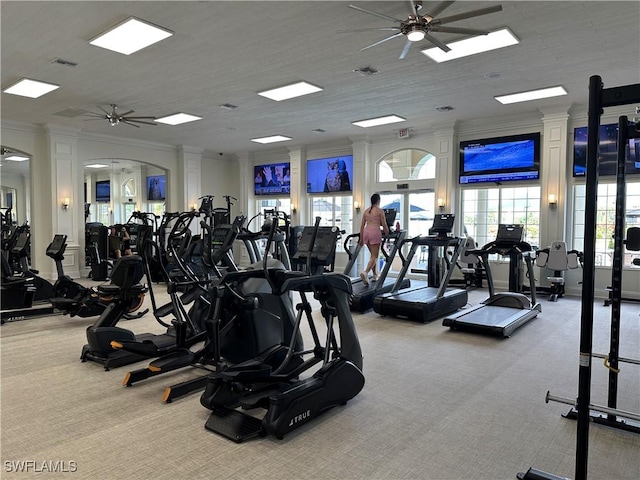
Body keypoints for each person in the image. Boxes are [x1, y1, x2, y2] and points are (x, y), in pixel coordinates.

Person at [358, 193, 390, 286]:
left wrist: (361, 237)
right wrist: (387, 233)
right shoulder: (380, 211)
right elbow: (384, 225)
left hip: (366, 232)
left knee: (372, 255)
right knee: (375, 256)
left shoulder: (366, 211)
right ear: (378, 201)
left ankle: (375, 274)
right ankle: (366, 272)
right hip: (375, 232)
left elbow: (362, 226)